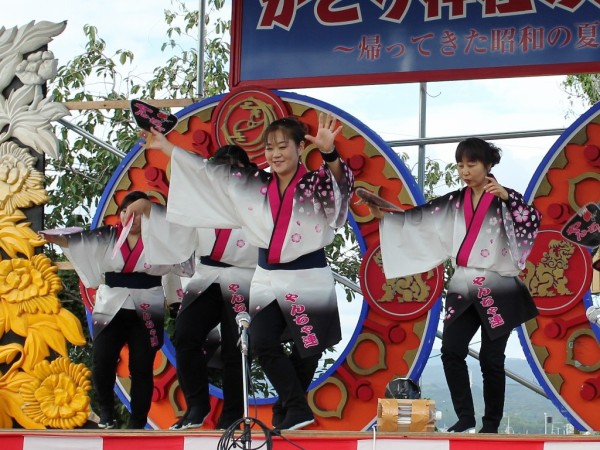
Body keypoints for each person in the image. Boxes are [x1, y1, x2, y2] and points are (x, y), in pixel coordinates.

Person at [133, 113, 354, 431]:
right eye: (269, 147)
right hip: (265, 276)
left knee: (310, 349)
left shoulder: (314, 183)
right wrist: (166, 146)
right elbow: (208, 172)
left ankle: (287, 408)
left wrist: (330, 153)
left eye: (282, 146)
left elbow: (341, 187)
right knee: (262, 342)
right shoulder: (256, 186)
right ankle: (294, 408)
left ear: (299, 147)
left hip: (306, 275)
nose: (275, 154)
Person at [366, 137, 540, 434]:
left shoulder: (506, 197)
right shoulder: (455, 200)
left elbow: (531, 222)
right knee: (451, 350)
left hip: (498, 286)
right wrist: (388, 218)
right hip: (463, 283)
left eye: (472, 164)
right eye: (460, 165)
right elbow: (423, 218)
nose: (465, 170)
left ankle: (491, 424)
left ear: (488, 165)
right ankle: (466, 416)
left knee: (491, 359)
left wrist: (510, 201)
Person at [126, 145, 258, 430]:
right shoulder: (200, 202)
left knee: (237, 349)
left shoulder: (258, 200)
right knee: (186, 335)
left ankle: (233, 416)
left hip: (243, 280)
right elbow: (176, 231)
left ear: (245, 172)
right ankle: (197, 407)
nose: (228, 175)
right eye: (221, 169)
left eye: (234, 168)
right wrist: (149, 208)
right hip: (207, 275)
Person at [41, 191, 194, 429]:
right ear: (120, 214)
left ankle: (138, 421)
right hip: (110, 306)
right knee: (102, 360)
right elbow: (80, 241)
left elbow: (181, 260)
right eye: (126, 211)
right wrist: (55, 239)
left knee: (142, 367)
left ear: (147, 216)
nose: (132, 218)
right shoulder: (107, 235)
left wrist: (175, 301)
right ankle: (106, 413)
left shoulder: (160, 241)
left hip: (146, 307)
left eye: (138, 213)